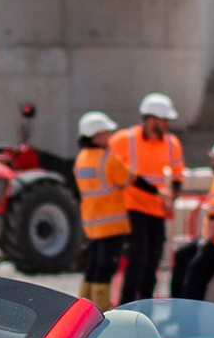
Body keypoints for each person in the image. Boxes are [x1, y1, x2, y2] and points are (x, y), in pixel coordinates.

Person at [107, 91, 184, 306]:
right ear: (150, 120)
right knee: (137, 259)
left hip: (157, 211)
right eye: (164, 120)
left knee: (153, 261)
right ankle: (127, 305)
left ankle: (146, 307)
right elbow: (104, 162)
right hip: (131, 209)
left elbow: (177, 176)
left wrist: (172, 198)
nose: (168, 124)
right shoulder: (125, 140)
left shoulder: (172, 144)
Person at [71, 110, 129, 310]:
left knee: (93, 267)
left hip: (92, 224)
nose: (109, 137)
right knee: (105, 269)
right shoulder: (108, 158)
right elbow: (127, 178)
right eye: (106, 133)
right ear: (96, 135)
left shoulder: (81, 159)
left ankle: (82, 308)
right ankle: (102, 311)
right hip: (112, 225)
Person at [172, 137, 214, 302]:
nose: (213, 161)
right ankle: (178, 308)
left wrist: (206, 240)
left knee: (195, 272)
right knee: (182, 255)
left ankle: (188, 319)